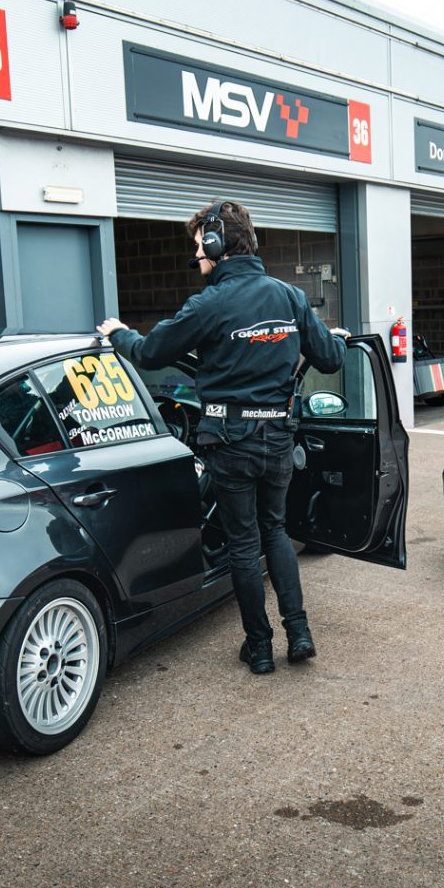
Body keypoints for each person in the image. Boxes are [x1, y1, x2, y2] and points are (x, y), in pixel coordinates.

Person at [97, 199, 346, 676]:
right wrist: (335, 337)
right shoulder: (290, 297)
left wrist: (119, 334)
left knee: (243, 545)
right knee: (275, 531)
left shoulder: (208, 303)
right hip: (278, 438)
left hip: (230, 442)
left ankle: (259, 649)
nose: (197, 257)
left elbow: (149, 353)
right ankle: (299, 633)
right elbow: (331, 359)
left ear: (216, 245)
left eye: (199, 247)